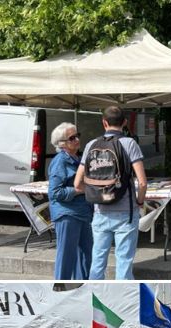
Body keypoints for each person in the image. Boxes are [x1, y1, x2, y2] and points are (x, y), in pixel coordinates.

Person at [74, 105, 148, 280]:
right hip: (125, 212)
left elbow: (77, 183)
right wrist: (139, 201)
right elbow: (142, 182)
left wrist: (95, 193)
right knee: (124, 262)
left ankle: (95, 298)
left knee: (97, 262)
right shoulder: (129, 144)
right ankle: (121, 303)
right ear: (124, 122)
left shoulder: (92, 144)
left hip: (100, 211)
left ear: (104, 123)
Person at [47, 122, 92, 280]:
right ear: (62, 144)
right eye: (71, 138)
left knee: (86, 256)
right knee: (66, 258)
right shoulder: (60, 161)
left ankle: (83, 287)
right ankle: (61, 287)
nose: (77, 140)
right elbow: (54, 192)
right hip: (67, 214)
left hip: (82, 212)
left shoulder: (77, 158)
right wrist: (77, 190)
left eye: (77, 135)